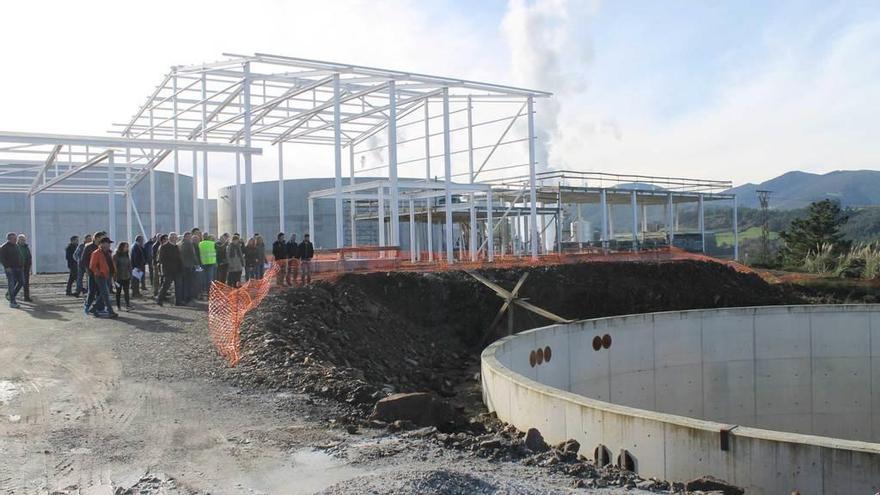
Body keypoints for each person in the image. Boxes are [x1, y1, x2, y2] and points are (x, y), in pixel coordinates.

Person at [89, 237, 118, 318]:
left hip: (108, 275)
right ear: (102, 244)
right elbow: (92, 266)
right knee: (105, 294)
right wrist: (99, 273)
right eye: (107, 243)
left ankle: (93, 308)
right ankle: (110, 311)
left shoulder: (108, 253)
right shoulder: (96, 253)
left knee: (104, 294)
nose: (109, 245)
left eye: (109, 243)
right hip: (101, 276)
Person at [156, 233, 183, 306]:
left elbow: (179, 258)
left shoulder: (177, 246)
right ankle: (159, 300)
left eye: (175, 237)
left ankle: (178, 302)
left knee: (178, 286)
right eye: (172, 237)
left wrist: (181, 267)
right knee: (166, 285)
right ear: (169, 238)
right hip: (168, 270)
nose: (174, 238)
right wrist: (165, 269)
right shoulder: (164, 247)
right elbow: (161, 259)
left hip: (177, 270)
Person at [82, 231, 105, 315]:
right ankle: (87, 306)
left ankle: (100, 308)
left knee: (101, 291)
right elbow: (84, 260)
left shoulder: (102, 247)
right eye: (102, 237)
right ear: (97, 238)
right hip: (92, 273)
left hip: (101, 273)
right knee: (92, 291)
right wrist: (90, 270)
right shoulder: (89, 247)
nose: (104, 239)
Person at [1, 232, 24, 308]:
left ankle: (11, 295)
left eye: (16, 238)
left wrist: (21, 265)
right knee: (11, 284)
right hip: (10, 269)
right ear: (9, 239)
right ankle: (12, 302)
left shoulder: (16, 246)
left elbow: (19, 256)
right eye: (14, 238)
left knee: (21, 282)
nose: (16, 240)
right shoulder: (4, 247)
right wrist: (7, 267)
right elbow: (2, 258)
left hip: (19, 268)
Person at [113, 242, 133, 311]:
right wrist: (114, 277)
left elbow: (129, 265)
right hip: (119, 277)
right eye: (126, 246)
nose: (127, 248)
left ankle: (128, 305)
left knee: (126, 292)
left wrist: (131, 274)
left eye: (127, 246)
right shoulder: (116, 256)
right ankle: (118, 306)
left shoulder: (127, 255)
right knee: (118, 292)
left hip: (126, 276)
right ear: (121, 247)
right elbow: (114, 267)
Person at [179, 232, 197, 304]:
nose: (190, 238)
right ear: (186, 237)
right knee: (189, 283)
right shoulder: (189, 244)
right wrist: (197, 264)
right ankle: (188, 299)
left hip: (183, 266)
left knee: (184, 283)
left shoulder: (180, 244)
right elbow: (193, 255)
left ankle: (183, 298)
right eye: (189, 237)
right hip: (188, 265)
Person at [17, 235, 32, 302]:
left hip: (26, 267)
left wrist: (29, 265)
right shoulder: (16, 247)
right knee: (17, 282)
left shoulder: (26, 247)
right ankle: (11, 295)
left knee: (26, 282)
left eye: (23, 240)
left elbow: (29, 256)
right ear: (18, 240)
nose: (22, 241)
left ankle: (26, 297)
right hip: (17, 267)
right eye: (21, 240)